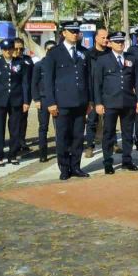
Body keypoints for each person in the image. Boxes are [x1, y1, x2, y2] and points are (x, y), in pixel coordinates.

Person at [42, 21, 93, 180]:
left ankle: (76, 166)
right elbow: (48, 81)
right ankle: (64, 168)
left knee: (78, 136)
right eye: (71, 31)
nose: (75, 34)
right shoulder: (54, 53)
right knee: (63, 137)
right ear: (64, 33)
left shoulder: (84, 52)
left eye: (77, 31)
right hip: (62, 103)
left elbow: (88, 78)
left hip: (80, 102)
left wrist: (90, 101)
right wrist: (50, 102)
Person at [93, 31, 138, 174]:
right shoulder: (103, 60)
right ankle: (108, 162)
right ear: (110, 43)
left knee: (128, 133)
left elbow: (137, 81)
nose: (120, 44)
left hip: (128, 102)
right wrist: (98, 103)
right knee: (108, 134)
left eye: (122, 41)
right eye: (117, 42)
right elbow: (97, 84)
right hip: (110, 102)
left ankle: (127, 160)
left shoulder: (131, 58)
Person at [0, 38, 31, 166]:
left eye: (10, 49)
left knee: (15, 129)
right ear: (2, 50)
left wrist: (26, 101)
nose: (8, 51)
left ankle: (13, 155)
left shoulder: (20, 62)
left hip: (16, 100)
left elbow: (25, 83)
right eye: (6, 49)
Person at [84, 28, 109, 158]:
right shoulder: (89, 54)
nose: (106, 40)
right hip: (93, 92)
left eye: (107, 37)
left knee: (109, 120)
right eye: (103, 37)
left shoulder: (110, 53)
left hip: (109, 92)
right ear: (96, 38)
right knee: (92, 120)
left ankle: (112, 143)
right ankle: (89, 146)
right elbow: (87, 75)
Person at [32, 40, 56, 162]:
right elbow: (34, 84)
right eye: (49, 49)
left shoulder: (58, 64)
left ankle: (62, 151)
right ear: (45, 50)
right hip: (43, 99)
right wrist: (36, 99)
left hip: (57, 100)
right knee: (43, 128)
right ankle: (43, 153)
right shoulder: (39, 65)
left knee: (60, 127)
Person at [12, 38, 34, 152]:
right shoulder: (10, 61)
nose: (19, 51)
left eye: (21, 48)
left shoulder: (28, 60)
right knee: (13, 119)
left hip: (26, 94)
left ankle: (22, 140)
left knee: (23, 118)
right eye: (16, 48)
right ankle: (13, 142)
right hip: (13, 95)